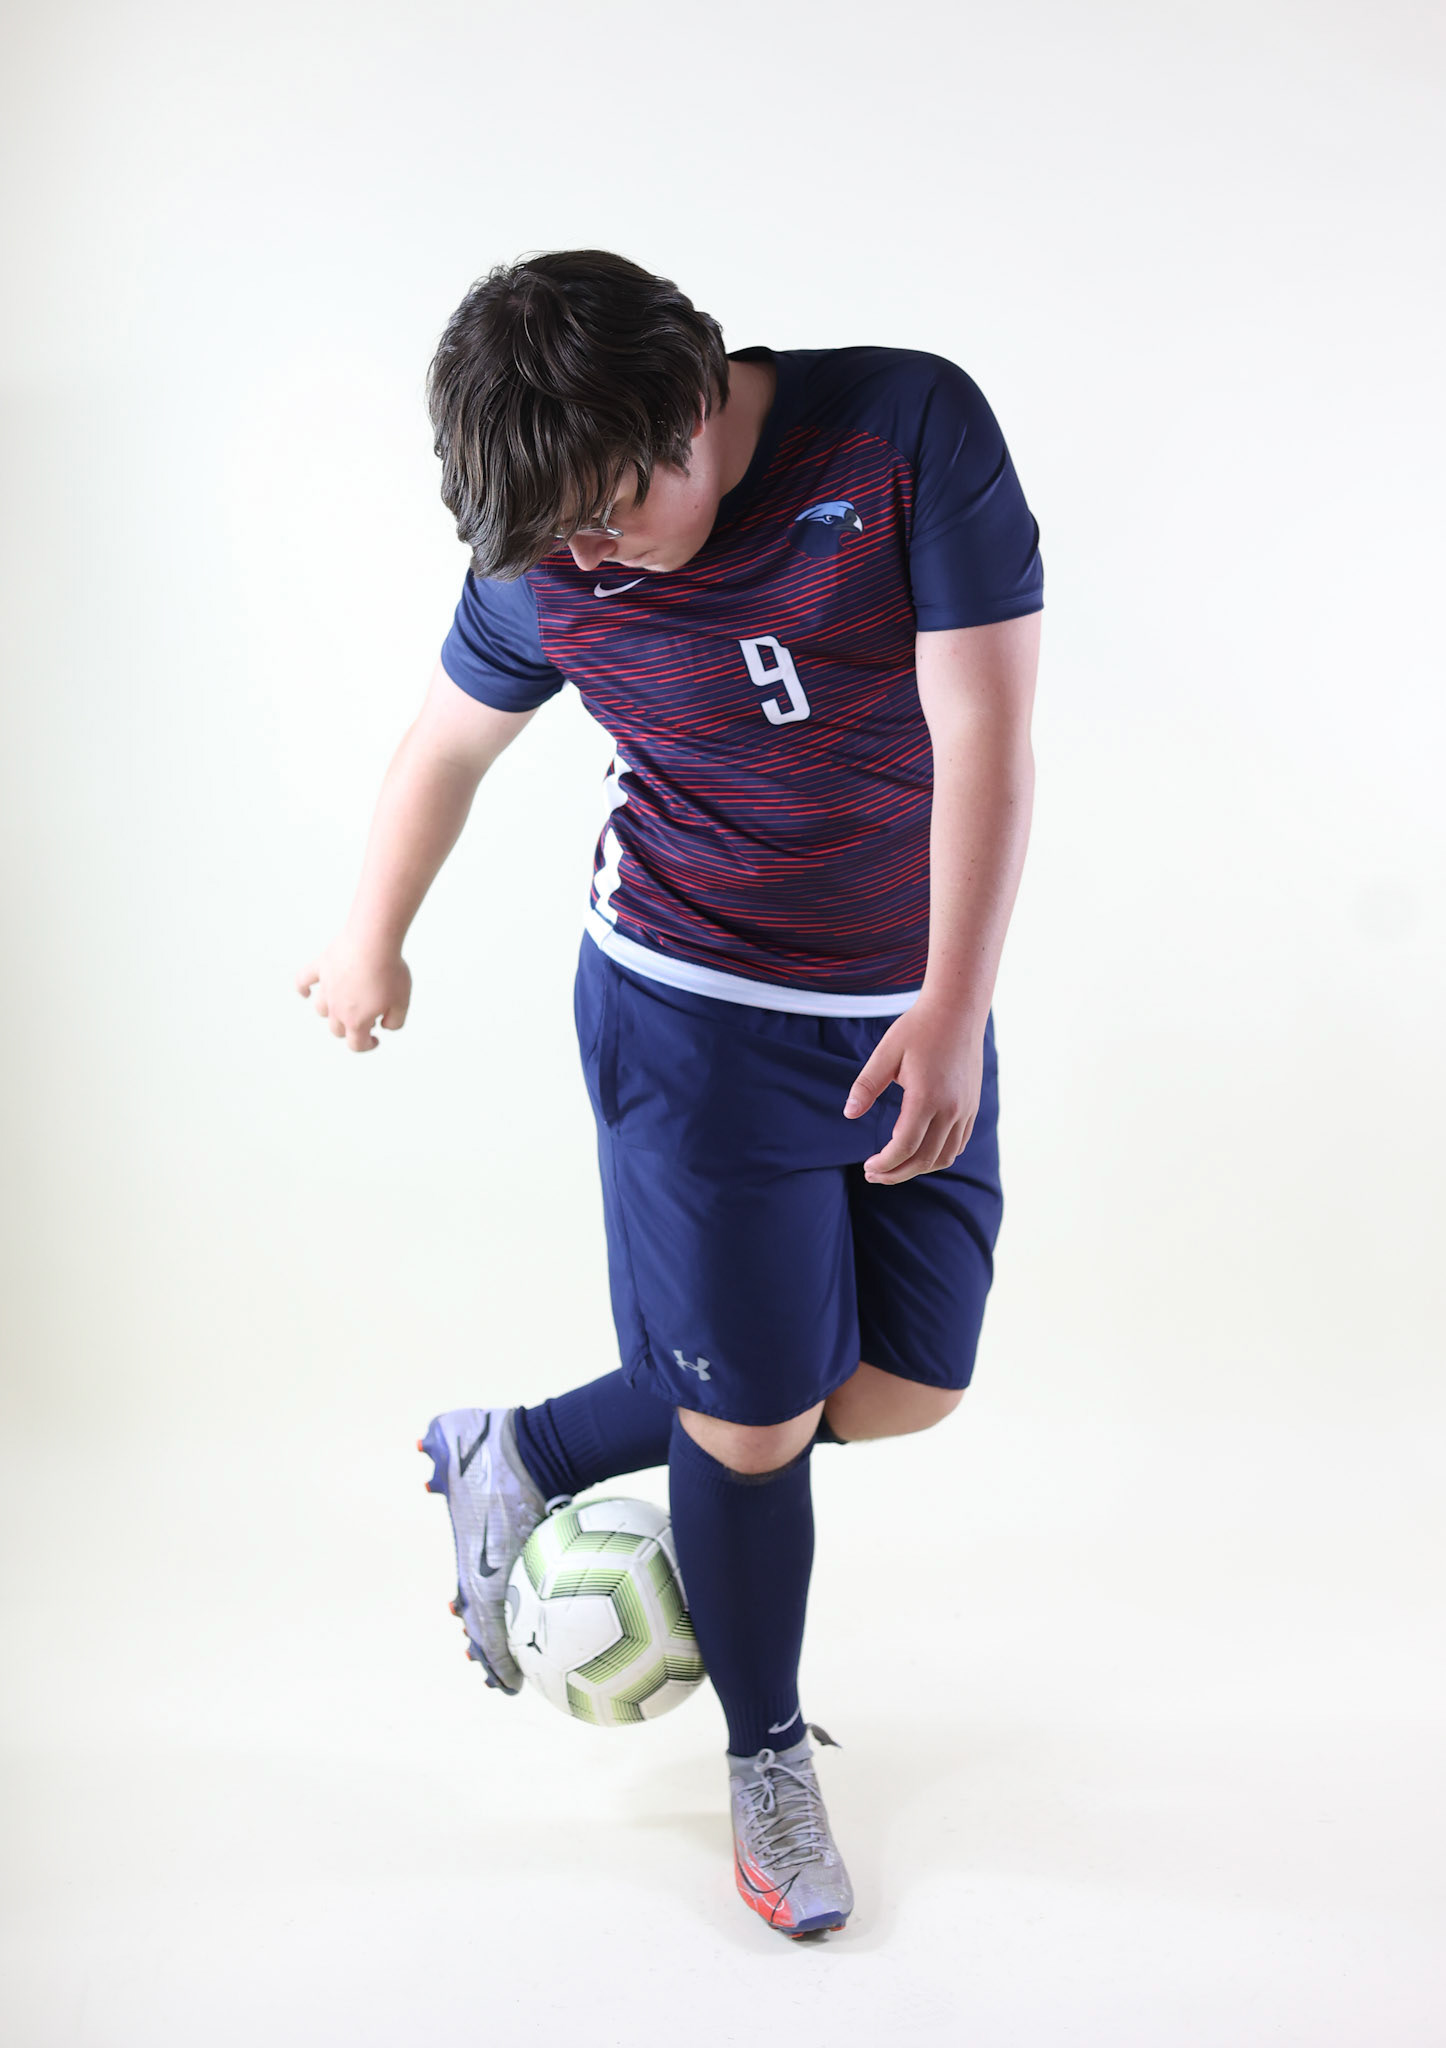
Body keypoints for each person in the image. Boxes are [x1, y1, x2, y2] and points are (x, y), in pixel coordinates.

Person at [296, 248, 1044, 1939]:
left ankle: (528, 1448)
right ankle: (765, 1762)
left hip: (906, 1003)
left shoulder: (902, 434)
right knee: (754, 1416)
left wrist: (952, 1007)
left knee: (904, 1385)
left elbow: (985, 734)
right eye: (552, 534)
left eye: (612, 509)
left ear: (697, 398)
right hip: (690, 1019)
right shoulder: (548, 557)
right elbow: (445, 745)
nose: (586, 556)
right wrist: (368, 941)